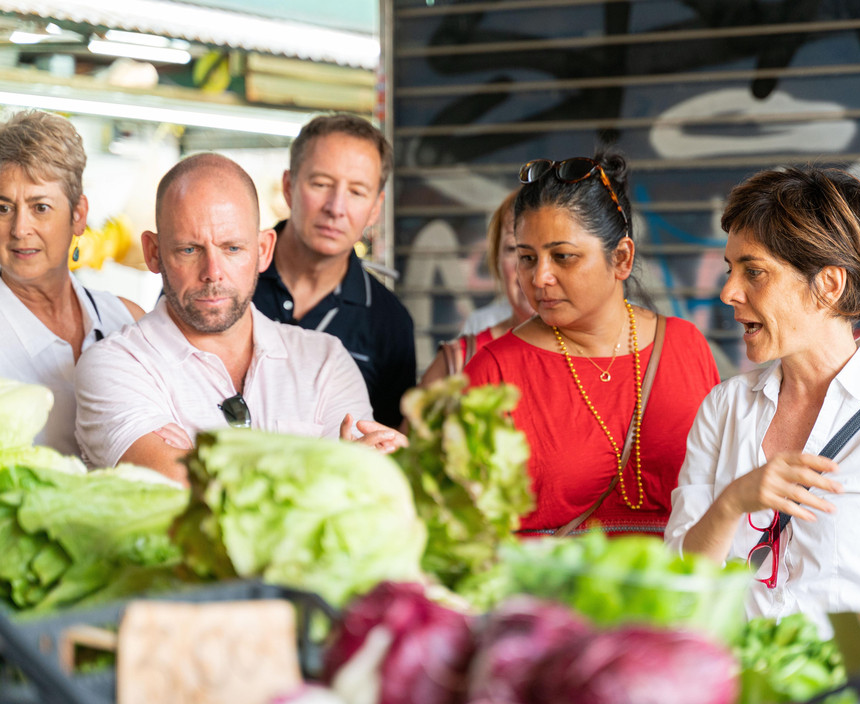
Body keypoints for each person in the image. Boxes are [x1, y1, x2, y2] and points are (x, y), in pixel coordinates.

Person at [665, 165, 860, 668]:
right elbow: (679, 590)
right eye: (729, 269)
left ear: (828, 285)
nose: (728, 292)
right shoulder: (723, 409)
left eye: (754, 271)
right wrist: (731, 503)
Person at [75, 153, 405, 485]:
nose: (212, 273)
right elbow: (183, 491)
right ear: (153, 252)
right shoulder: (115, 366)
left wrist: (207, 463)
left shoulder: (326, 361)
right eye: (189, 249)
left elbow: (363, 488)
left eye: (232, 248)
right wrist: (324, 470)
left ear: (263, 250)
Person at [466, 152, 720, 536]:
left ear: (621, 258)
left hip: (675, 587)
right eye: (527, 258)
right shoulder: (493, 373)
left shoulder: (685, 346)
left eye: (563, 257)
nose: (540, 278)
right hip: (552, 589)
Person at [252, 113, 416, 427]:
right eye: (321, 184)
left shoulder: (389, 323)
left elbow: (387, 446)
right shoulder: (221, 276)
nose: (336, 207)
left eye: (357, 191)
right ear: (288, 187)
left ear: (375, 208)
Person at [0, 110, 143, 455]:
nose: (20, 229)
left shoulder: (128, 321)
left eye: (41, 208)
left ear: (78, 216)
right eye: (3, 209)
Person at [419, 189, 534, 385]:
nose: (527, 267)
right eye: (512, 249)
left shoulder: (599, 353)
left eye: (556, 252)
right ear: (496, 260)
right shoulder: (464, 353)